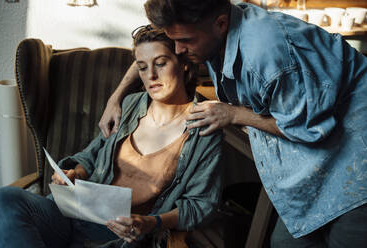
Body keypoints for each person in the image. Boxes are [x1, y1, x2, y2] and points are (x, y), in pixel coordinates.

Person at [99, 0, 367, 247]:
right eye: (175, 41)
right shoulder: (214, 24)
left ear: (220, 25)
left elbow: (307, 127)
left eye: (185, 42)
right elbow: (154, 51)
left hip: (355, 167)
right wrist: (116, 96)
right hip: (311, 170)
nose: (179, 50)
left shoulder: (266, 53)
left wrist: (233, 114)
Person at [0, 26, 223, 248]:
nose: (151, 75)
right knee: (3, 199)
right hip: (73, 213)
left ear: (183, 63)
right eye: (142, 67)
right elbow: (92, 154)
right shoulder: (130, 104)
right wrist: (75, 173)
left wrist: (153, 222)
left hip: (122, 236)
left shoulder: (204, 127)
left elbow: (201, 205)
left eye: (161, 63)